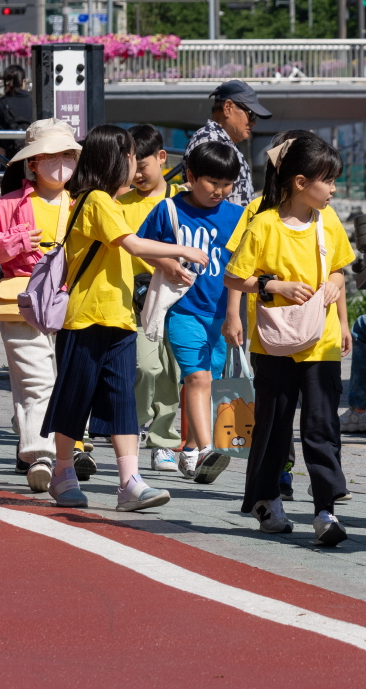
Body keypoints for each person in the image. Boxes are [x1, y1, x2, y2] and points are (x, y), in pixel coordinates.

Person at [41, 125, 207, 512]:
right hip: (85, 318)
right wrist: (183, 249)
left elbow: (128, 254)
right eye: (131, 155)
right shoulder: (95, 200)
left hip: (117, 317)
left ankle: (130, 481)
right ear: (116, 158)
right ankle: (63, 471)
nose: (134, 163)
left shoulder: (106, 203)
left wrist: (164, 264)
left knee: (121, 402)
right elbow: (131, 244)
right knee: (75, 399)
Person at [226, 133, 355, 547]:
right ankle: (266, 499)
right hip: (275, 342)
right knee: (274, 425)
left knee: (321, 423)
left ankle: (325, 508)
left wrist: (336, 295)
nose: (334, 189)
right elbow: (233, 276)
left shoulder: (328, 221)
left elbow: (339, 270)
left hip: (322, 341)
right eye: (328, 181)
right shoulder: (263, 223)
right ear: (300, 182)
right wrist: (275, 286)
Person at [0, 118, 80, 493]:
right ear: (32, 163)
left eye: (68, 155)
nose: (61, 163)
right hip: (20, 300)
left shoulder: (81, 204)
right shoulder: (7, 204)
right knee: (39, 380)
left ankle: (33, 449)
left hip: (68, 303)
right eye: (51, 156)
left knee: (36, 383)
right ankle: (42, 454)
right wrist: (17, 241)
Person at [136, 138, 244, 484]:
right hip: (182, 309)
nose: (220, 191)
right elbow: (139, 245)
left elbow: (240, 271)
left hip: (220, 313)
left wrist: (234, 315)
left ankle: (191, 450)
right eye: (213, 183)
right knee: (196, 377)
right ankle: (205, 450)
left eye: (227, 184)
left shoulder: (236, 216)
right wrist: (166, 263)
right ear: (191, 176)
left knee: (208, 384)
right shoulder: (168, 210)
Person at [119, 123, 183, 472]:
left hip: (176, 297)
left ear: (161, 158)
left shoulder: (179, 199)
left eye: (142, 165)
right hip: (136, 297)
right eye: (131, 165)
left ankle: (164, 439)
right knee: (145, 366)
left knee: (171, 371)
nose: (137, 174)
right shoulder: (120, 202)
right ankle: (139, 423)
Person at [186, 79, 271, 206]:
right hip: (218, 225)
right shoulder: (208, 139)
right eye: (251, 114)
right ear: (228, 107)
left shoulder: (223, 142)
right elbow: (203, 199)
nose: (254, 122)